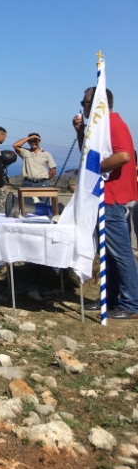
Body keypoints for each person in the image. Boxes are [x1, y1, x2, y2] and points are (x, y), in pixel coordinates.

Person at [76, 87, 138, 320]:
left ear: (97, 103)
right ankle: (110, 300)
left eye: (85, 102)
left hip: (112, 197)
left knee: (120, 252)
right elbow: (88, 153)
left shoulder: (113, 123)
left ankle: (132, 303)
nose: (83, 106)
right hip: (103, 197)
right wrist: (80, 131)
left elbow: (124, 155)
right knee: (108, 252)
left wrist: (97, 169)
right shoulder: (100, 126)